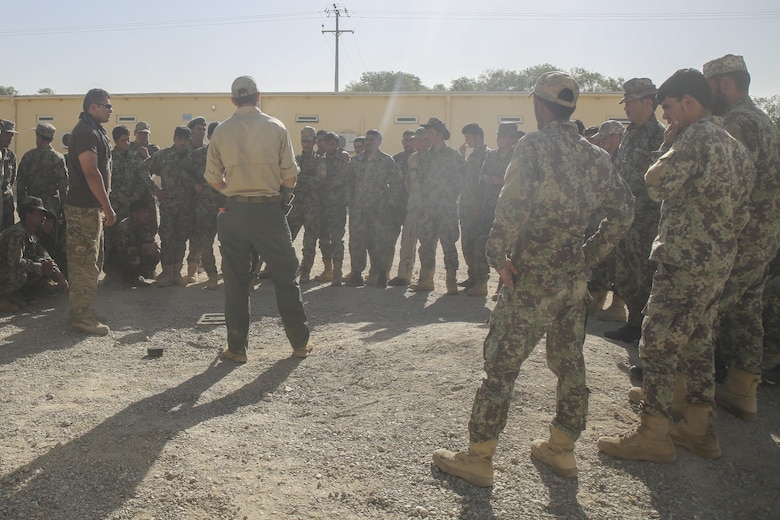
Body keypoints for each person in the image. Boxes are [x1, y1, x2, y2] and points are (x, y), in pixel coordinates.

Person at [432, 72, 634, 485]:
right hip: (572, 279)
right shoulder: (596, 155)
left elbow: (513, 205)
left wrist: (496, 255)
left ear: (540, 106)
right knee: (570, 364)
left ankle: (480, 457)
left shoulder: (534, 145)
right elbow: (625, 212)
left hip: (530, 278)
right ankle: (562, 450)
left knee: (501, 366)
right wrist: (589, 255)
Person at [598, 68, 753, 463]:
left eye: (667, 108)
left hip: (685, 259)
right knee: (699, 342)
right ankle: (699, 428)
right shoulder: (734, 145)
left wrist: (668, 145)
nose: (666, 116)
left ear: (688, 101)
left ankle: (653, 432)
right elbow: (743, 213)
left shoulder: (695, 137)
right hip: (718, 262)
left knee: (657, 342)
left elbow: (656, 183)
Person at [204, 75, 310, 362]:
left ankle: (237, 349)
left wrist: (234, 192)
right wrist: (278, 191)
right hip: (268, 211)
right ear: (258, 95)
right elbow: (290, 176)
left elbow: (212, 179)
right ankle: (299, 344)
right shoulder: (276, 127)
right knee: (286, 276)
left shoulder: (221, 131)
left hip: (234, 212)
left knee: (236, 282)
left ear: (233, 100)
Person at [703, 54, 780, 421]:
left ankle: (687, 396)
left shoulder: (738, 123)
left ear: (727, 84)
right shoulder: (762, 120)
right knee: (748, 310)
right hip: (763, 236)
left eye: (711, 86)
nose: (708, 94)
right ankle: (742, 391)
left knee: (708, 307)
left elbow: (730, 182)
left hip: (741, 234)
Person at [604, 79, 666, 344]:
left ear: (648, 102)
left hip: (647, 221)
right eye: (625, 102)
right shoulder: (629, 134)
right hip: (625, 218)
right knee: (626, 274)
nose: (627, 107)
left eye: (631, 102)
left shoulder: (661, 135)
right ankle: (633, 322)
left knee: (645, 276)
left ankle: (646, 329)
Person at [65, 88, 116, 335]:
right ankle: (80, 317)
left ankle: (85, 310)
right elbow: (90, 171)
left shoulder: (93, 130)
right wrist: (108, 207)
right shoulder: (86, 132)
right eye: (107, 105)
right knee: (84, 264)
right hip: (83, 209)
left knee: (92, 262)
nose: (110, 110)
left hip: (90, 208)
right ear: (93, 106)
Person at [411, 117, 466, 295]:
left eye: (430, 132)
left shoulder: (452, 155)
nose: (427, 135)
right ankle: (426, 279)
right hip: (428, 208)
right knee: (426, 243)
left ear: (440, 134)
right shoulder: (424, 156)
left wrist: (448, 195)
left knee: (448, 243)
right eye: (426, 132)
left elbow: (460, 181)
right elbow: (420, 179)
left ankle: (451, 282)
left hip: (445, 207)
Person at [345, 129, 402, 287]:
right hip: (359, 210)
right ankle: (356, 273)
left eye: (371, 139)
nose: (368, 142)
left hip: (379, 210)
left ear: (379, 142)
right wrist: (349, 200)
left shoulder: (386, 160)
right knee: (357, 242)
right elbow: (349, 183)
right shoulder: (356, 161)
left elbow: (396, 183)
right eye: (367, 139)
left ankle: (382, 274)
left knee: (380, 242)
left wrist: (391, 201)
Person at [475, 123, 523, 299]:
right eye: (498, 135)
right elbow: (482, 177)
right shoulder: (491, 155)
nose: (500, 138)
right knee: (484, 243)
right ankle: (481, 284)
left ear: (513, 138)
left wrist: (497, 181)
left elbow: (519, 180)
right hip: (489, 206)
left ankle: (504, 286)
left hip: (509, 209)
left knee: (508, 248)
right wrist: (489, 179)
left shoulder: (518, 156)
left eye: (504, 136)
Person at [16, 123, 69, 277]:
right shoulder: (58, 158)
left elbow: (20, 186)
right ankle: (53, 275)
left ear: (38, 137)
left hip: (32, 208)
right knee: (51, 242)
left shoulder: (28, 156)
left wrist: (21, 209)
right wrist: (64, 211)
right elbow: (63, 187)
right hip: (52, 207)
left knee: (32, 241)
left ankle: (36, 277)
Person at [144, 126, 195, 287]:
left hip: (186, 207)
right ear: (174, 139)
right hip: (168, 206)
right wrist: (155, 191)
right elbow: (143, 169)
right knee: (167, 238)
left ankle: (177, 272)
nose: (182, 142)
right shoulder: (163, 156)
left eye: (185, 139)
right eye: (179, 139)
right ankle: (166, 273)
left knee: (181, 239)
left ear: (189, 140)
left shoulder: (193, 157)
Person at [0, 196, 69, 312]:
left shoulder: (30, 233)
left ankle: (11, 295)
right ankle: (2, 297)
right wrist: (41, 267)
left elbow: (43, 254)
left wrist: (59, 275)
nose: (44, 218)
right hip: (5, 269)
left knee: (40, 264)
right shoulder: (18, 233)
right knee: (22, 272)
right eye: (40, 214)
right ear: (28, 216)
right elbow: (15, 263)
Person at [180, 121, 224, 289]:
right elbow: (182, 169)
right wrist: (194, 184)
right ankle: (211, 275)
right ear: (210, 136)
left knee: (227, 242)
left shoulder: (229, 155)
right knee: (205, 243)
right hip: (205, 206)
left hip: (225, 206)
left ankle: (226, 272)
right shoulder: (199, 154)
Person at [388, 127, 427, 287]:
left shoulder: (431, 158)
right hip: (405, 205)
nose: (412, 143)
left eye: (415, 140)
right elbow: (407, 183)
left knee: (427, 243)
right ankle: (404, 276)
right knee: (406, 241)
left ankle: (426, 278)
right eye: (409, 140)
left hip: (426, 207)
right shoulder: (402, 159)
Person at [290, 126, 327, 284]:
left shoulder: (320, 161)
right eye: (303, 141)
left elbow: (320, 181)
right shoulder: (294, 159)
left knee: (310, 241)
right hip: (296, 206)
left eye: (309, 141)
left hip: (312, 206)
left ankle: (305, 271)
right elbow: (291, 179)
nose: (306, 144)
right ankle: (286, 268)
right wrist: (304, 180)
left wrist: (301, 180)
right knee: (287, 239)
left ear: (314, 142)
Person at [457, 123, 491, 294]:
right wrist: (462, 157)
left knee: (479, 246)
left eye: (468, 137)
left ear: (478, 137)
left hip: (478, 207)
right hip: (467, 206)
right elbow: (465, 178)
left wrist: (480, 206)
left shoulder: (487, 155)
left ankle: (481, 281)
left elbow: (483, 186)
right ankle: (472, 277)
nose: (466, 140)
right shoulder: (473, 156)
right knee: (467, 244)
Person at [317, 132, 351, 286]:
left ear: (337, 144)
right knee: (324, 237)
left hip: (337, 205)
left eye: (332, 144)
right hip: (323, 205)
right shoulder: (321, 159)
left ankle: (337, 273)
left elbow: (344, 178)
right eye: (327, 143)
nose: (329, 146)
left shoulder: (343, 159)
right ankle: (328, 269)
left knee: (337, 238)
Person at [104, 199, 159, 286]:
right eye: (144, 212)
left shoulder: (145, 227)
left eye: (148, 212)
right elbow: (122, 251)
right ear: (134, 214)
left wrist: (151, 248)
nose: (147, 215)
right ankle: (115, 277)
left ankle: (134, 278)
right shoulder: (124, 227)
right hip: (115, 260)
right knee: (134, 260)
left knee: (155, 255)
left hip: (133, 255)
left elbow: (149, 243)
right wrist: (145, 248)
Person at [0, 119, 19, 231]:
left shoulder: (10, 156)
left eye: (12, 135)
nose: (10, 138)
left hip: (6, 203)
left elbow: (12, 179)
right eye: (7, 134)